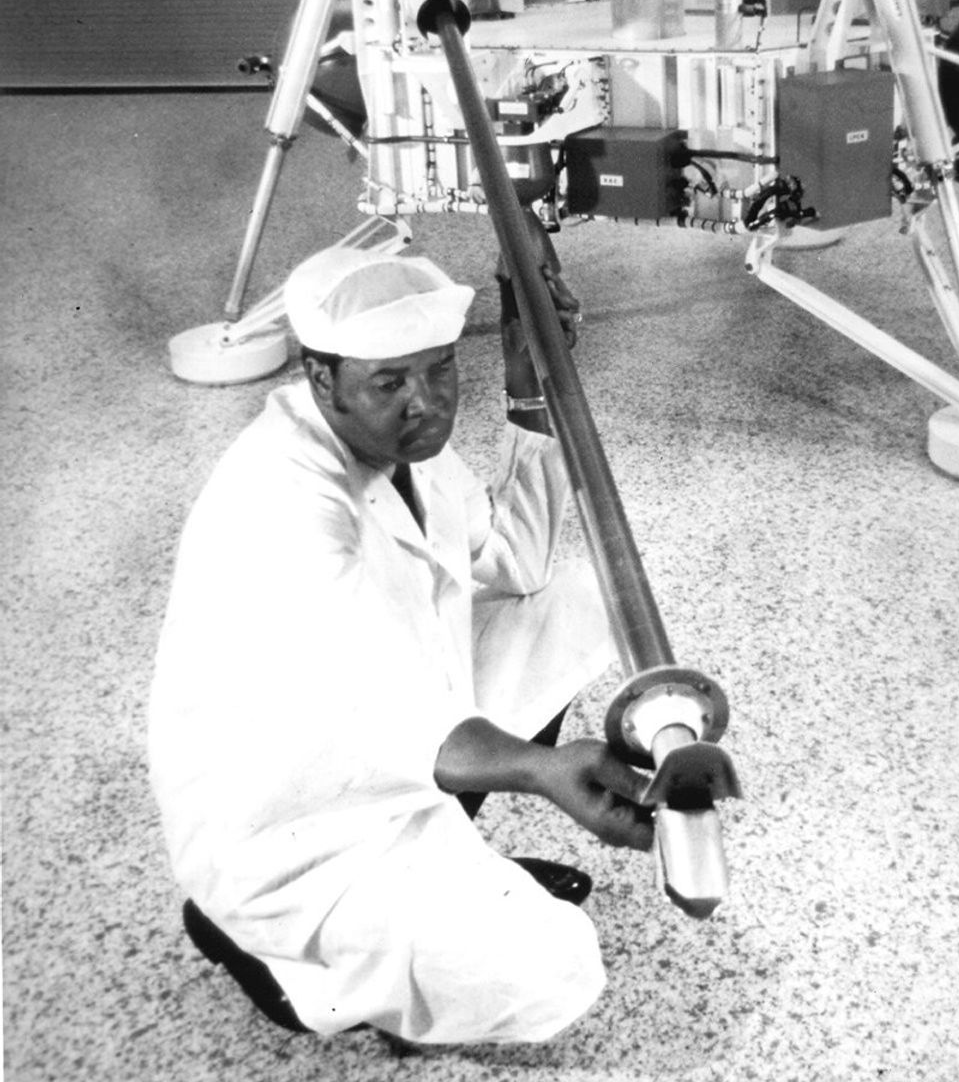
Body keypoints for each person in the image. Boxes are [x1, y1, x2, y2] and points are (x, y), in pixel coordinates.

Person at [148, 226, 654, 1046]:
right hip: (289, 827)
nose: (429, 403)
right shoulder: (278, 499)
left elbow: (518, 562)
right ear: (321, 376)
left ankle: (441, 881)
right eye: (391, 381)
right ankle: (286, 969)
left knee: (585, 599)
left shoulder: (402, 445)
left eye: (441, 368)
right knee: (549, 970)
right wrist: (541, 769)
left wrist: (529, 387)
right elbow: (374, 710)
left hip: (383, 762)